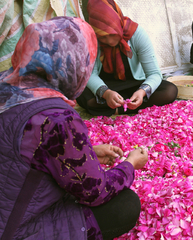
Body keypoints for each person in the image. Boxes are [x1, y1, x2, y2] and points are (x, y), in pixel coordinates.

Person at [0, 17, 148, 240]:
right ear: (74, 61)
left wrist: (91, 152)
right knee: (125, 205)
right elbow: (95, 193)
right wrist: (130, 165)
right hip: (15, 228)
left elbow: (25, 149)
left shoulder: (7, 85)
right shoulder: (57, 118)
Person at [76, 0, 178, 116]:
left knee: (169, 91)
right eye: (103, 37)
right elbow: (91, 74)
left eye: (112, 34)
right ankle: (123, 105)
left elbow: (154, 73)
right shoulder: (91, 38)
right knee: (81, 93)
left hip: (134, 84)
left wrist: (142, 92)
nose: (109, 41)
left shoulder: (136, 34)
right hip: (107, 85)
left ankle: (116, 108)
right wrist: (106, 93)